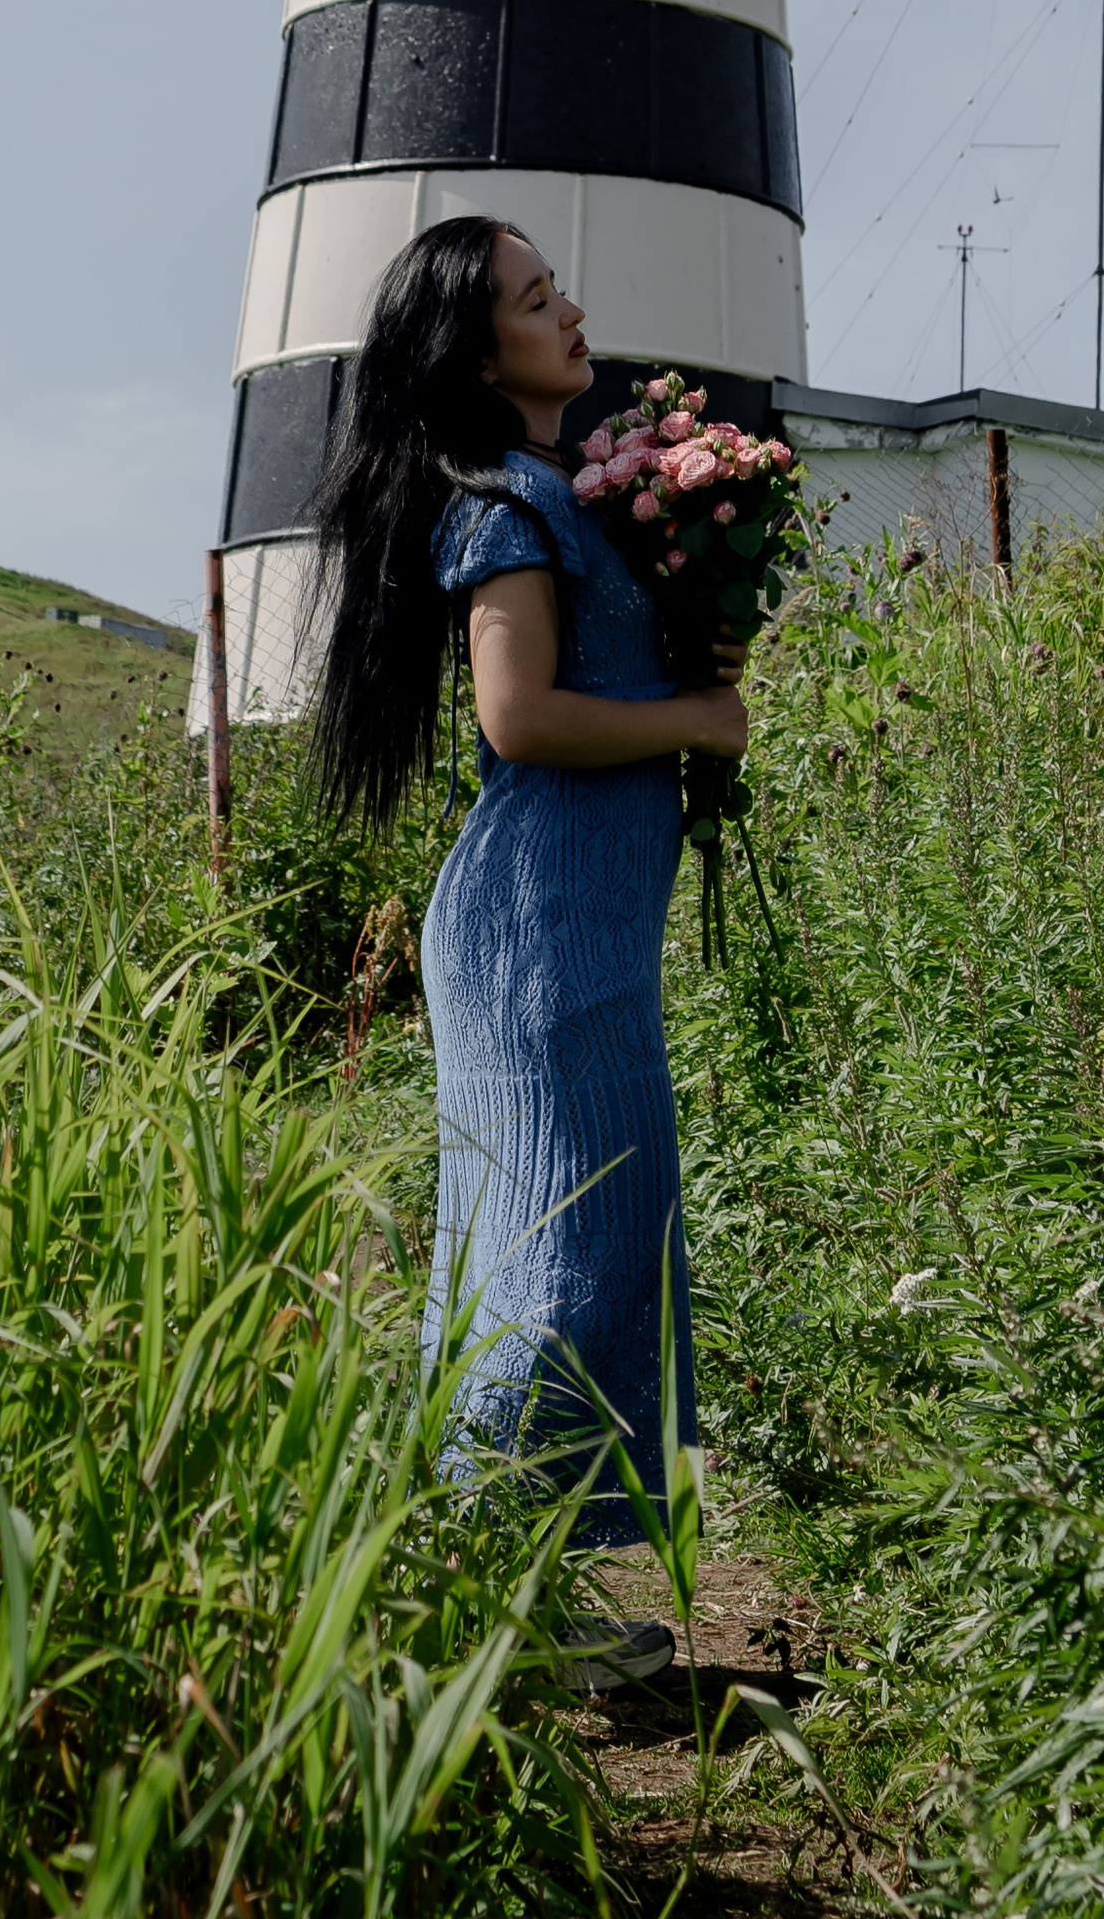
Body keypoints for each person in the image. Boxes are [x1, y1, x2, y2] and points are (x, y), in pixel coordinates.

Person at [307, 213, 750, 1644]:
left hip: (582, 927)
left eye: (559, 284)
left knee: (569, 1244)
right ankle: (472, 1605)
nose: (571, 309)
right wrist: (691, 718)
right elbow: (518, 717)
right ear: (473, 347)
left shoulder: (557, 491)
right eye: (535, 296)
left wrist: (695, 642)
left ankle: (508, 1602)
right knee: (561, 1259)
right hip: (535, 931)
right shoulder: (503, 499)